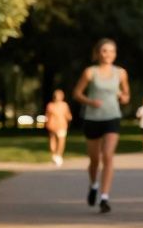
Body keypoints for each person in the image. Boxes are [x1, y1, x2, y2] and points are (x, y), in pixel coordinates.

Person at [73, 39, 130, 213]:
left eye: (111, 51)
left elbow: (126, 94)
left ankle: (104, 197)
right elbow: (76, 93)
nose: (108, 54)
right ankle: (94, 185)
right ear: (98, 53)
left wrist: (124, 98)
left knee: (108, 155)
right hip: (92, 118)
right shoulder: (90, 72)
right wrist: (90, 102)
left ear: (115, 54)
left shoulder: (120, 73)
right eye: (105, 51)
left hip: (112, 117)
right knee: (94, 160)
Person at [44, 89, 73, 166]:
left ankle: (54, 155)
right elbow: (68, 116)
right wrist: (69, 118)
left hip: (52, 125)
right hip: (61, 125)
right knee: (61, 141)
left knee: (53, 140)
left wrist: (46, 123)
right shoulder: (64, 105)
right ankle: (58, 155)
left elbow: (47, 116)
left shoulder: (50, 105)